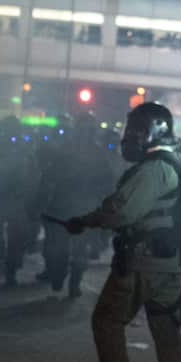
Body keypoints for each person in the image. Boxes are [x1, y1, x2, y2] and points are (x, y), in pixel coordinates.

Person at [65, 102, 181, 362]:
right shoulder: (175, 162)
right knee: (168, 336)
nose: (130, 136)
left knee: (106, 320)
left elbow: (121, 212)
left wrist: (87, 221)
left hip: (143, 263)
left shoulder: (153, 168)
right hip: (170, 264)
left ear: (157, 131)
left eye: (138, 130)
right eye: (130, 129)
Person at [34, 111, 116, 298]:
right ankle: (66, 278)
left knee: (73, 249)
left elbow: (107, 183)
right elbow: (49, 178)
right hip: (68, 206)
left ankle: (71, 281)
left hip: (75, 207)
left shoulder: (89, 154)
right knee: (67, 249)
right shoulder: (79, 153)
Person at [0, 115, 37, 284]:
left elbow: (34, 175)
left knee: (17, 237)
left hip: (16, 198)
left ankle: (11, 268)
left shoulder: (25, 151)